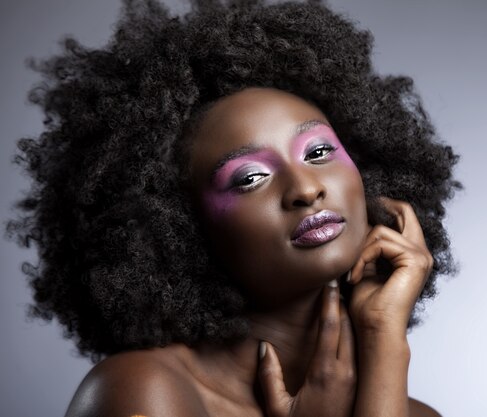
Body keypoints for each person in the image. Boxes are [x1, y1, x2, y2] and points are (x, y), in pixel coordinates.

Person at [7, 0, 460, 415]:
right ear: (177, 228)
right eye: (249, 178)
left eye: (319, 153)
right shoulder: (145, 391)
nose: (305, 188)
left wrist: (385, 342)